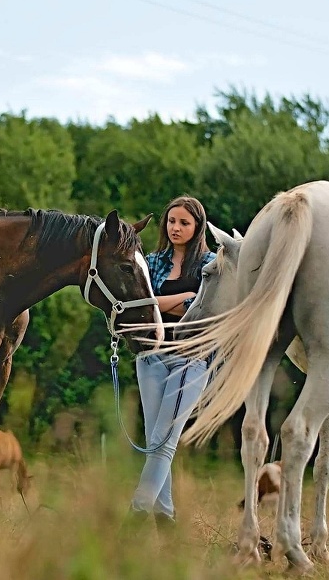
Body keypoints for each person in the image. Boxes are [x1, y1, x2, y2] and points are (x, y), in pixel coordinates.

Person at [124, 195, 216, 537]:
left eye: (184, 223)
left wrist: (160, 304)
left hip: (191, 357)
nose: (175, 228)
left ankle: (136, 514)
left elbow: (204, 309)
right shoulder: (151, 261)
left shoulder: (211, 265)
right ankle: (165, 518)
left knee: (165, 439)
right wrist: (181, 300)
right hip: (151, 356)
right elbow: (138, 303)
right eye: (171, 221)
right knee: (154, 439)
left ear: (197, 227)